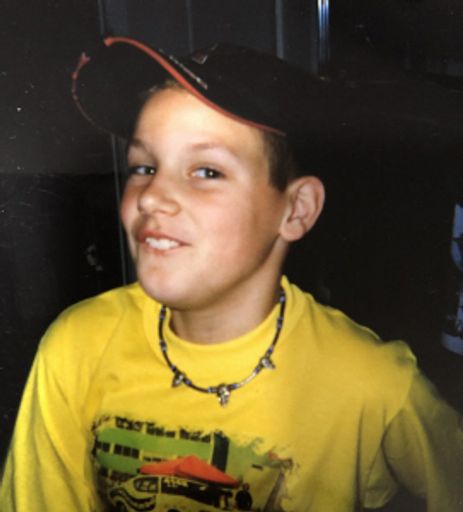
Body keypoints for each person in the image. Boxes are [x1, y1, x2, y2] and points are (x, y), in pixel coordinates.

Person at [1, 37, 462, 512]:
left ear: (296, 210)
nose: (151, 196)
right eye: (144, 166)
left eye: (206, 172)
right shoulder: (75, 348)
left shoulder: (371, 384)